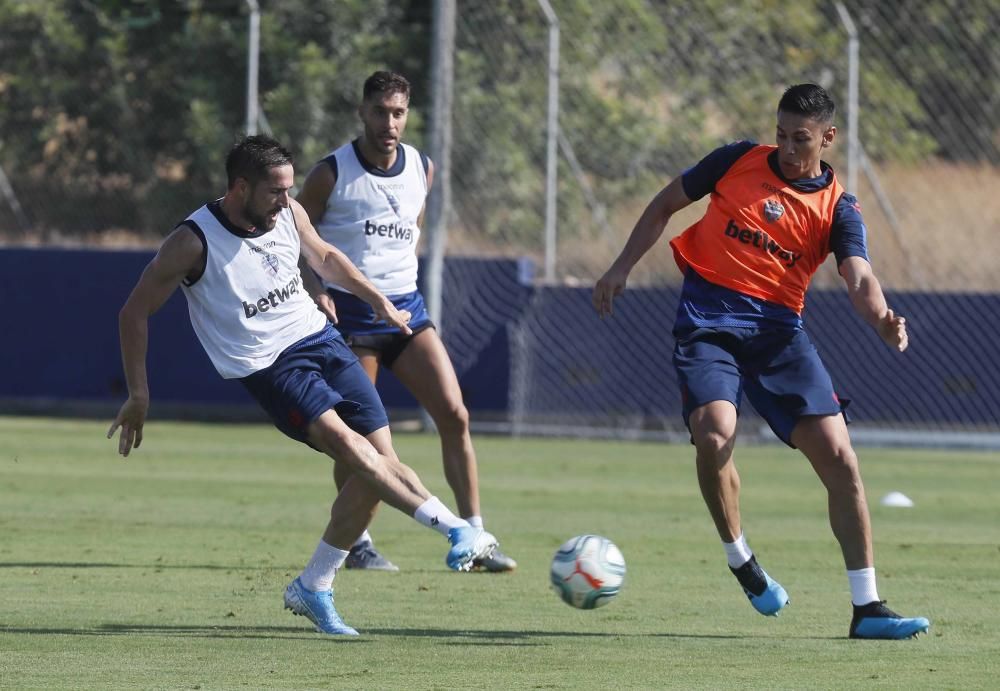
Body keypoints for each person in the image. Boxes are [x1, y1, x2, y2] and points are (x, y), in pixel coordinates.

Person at [107, 135, 499, 636]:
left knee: (378, 469)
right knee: (351, 449)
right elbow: (133, 311)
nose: (285, 200)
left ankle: (314, 585)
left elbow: (327, 259)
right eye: (275, 191)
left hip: (321, 339)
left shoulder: (288, 212)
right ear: (240, 187)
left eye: (289, 190)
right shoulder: (192, 241)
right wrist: (139, 394)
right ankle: (456, 530)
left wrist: (376, 299)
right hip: (270, 365)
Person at [592, 84, 929, 640]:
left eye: (801, 139)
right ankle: (740, 558)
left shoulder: (838, 207)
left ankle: (867, 607)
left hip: (777, 334)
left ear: (828, 138)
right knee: (715, 434)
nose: (789, 148)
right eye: (781, 134)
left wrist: (883, 318)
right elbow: (664, 204)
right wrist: (621, 265)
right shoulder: (737, 161)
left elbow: (859, 276)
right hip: (707, 322)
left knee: (842, 459)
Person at [295, 70, 516, 573]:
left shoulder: (422, 167)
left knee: (456, 415)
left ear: (408, 115)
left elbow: (411, 230)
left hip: (408, 315)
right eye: (379, 111)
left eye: (398, 112)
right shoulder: (331, 173)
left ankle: (475, 535)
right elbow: (295, 238)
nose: (388, 122)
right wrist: (318, 288)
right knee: (363, 441)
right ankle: (359, 542)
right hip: (351, 322)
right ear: (362, 112)